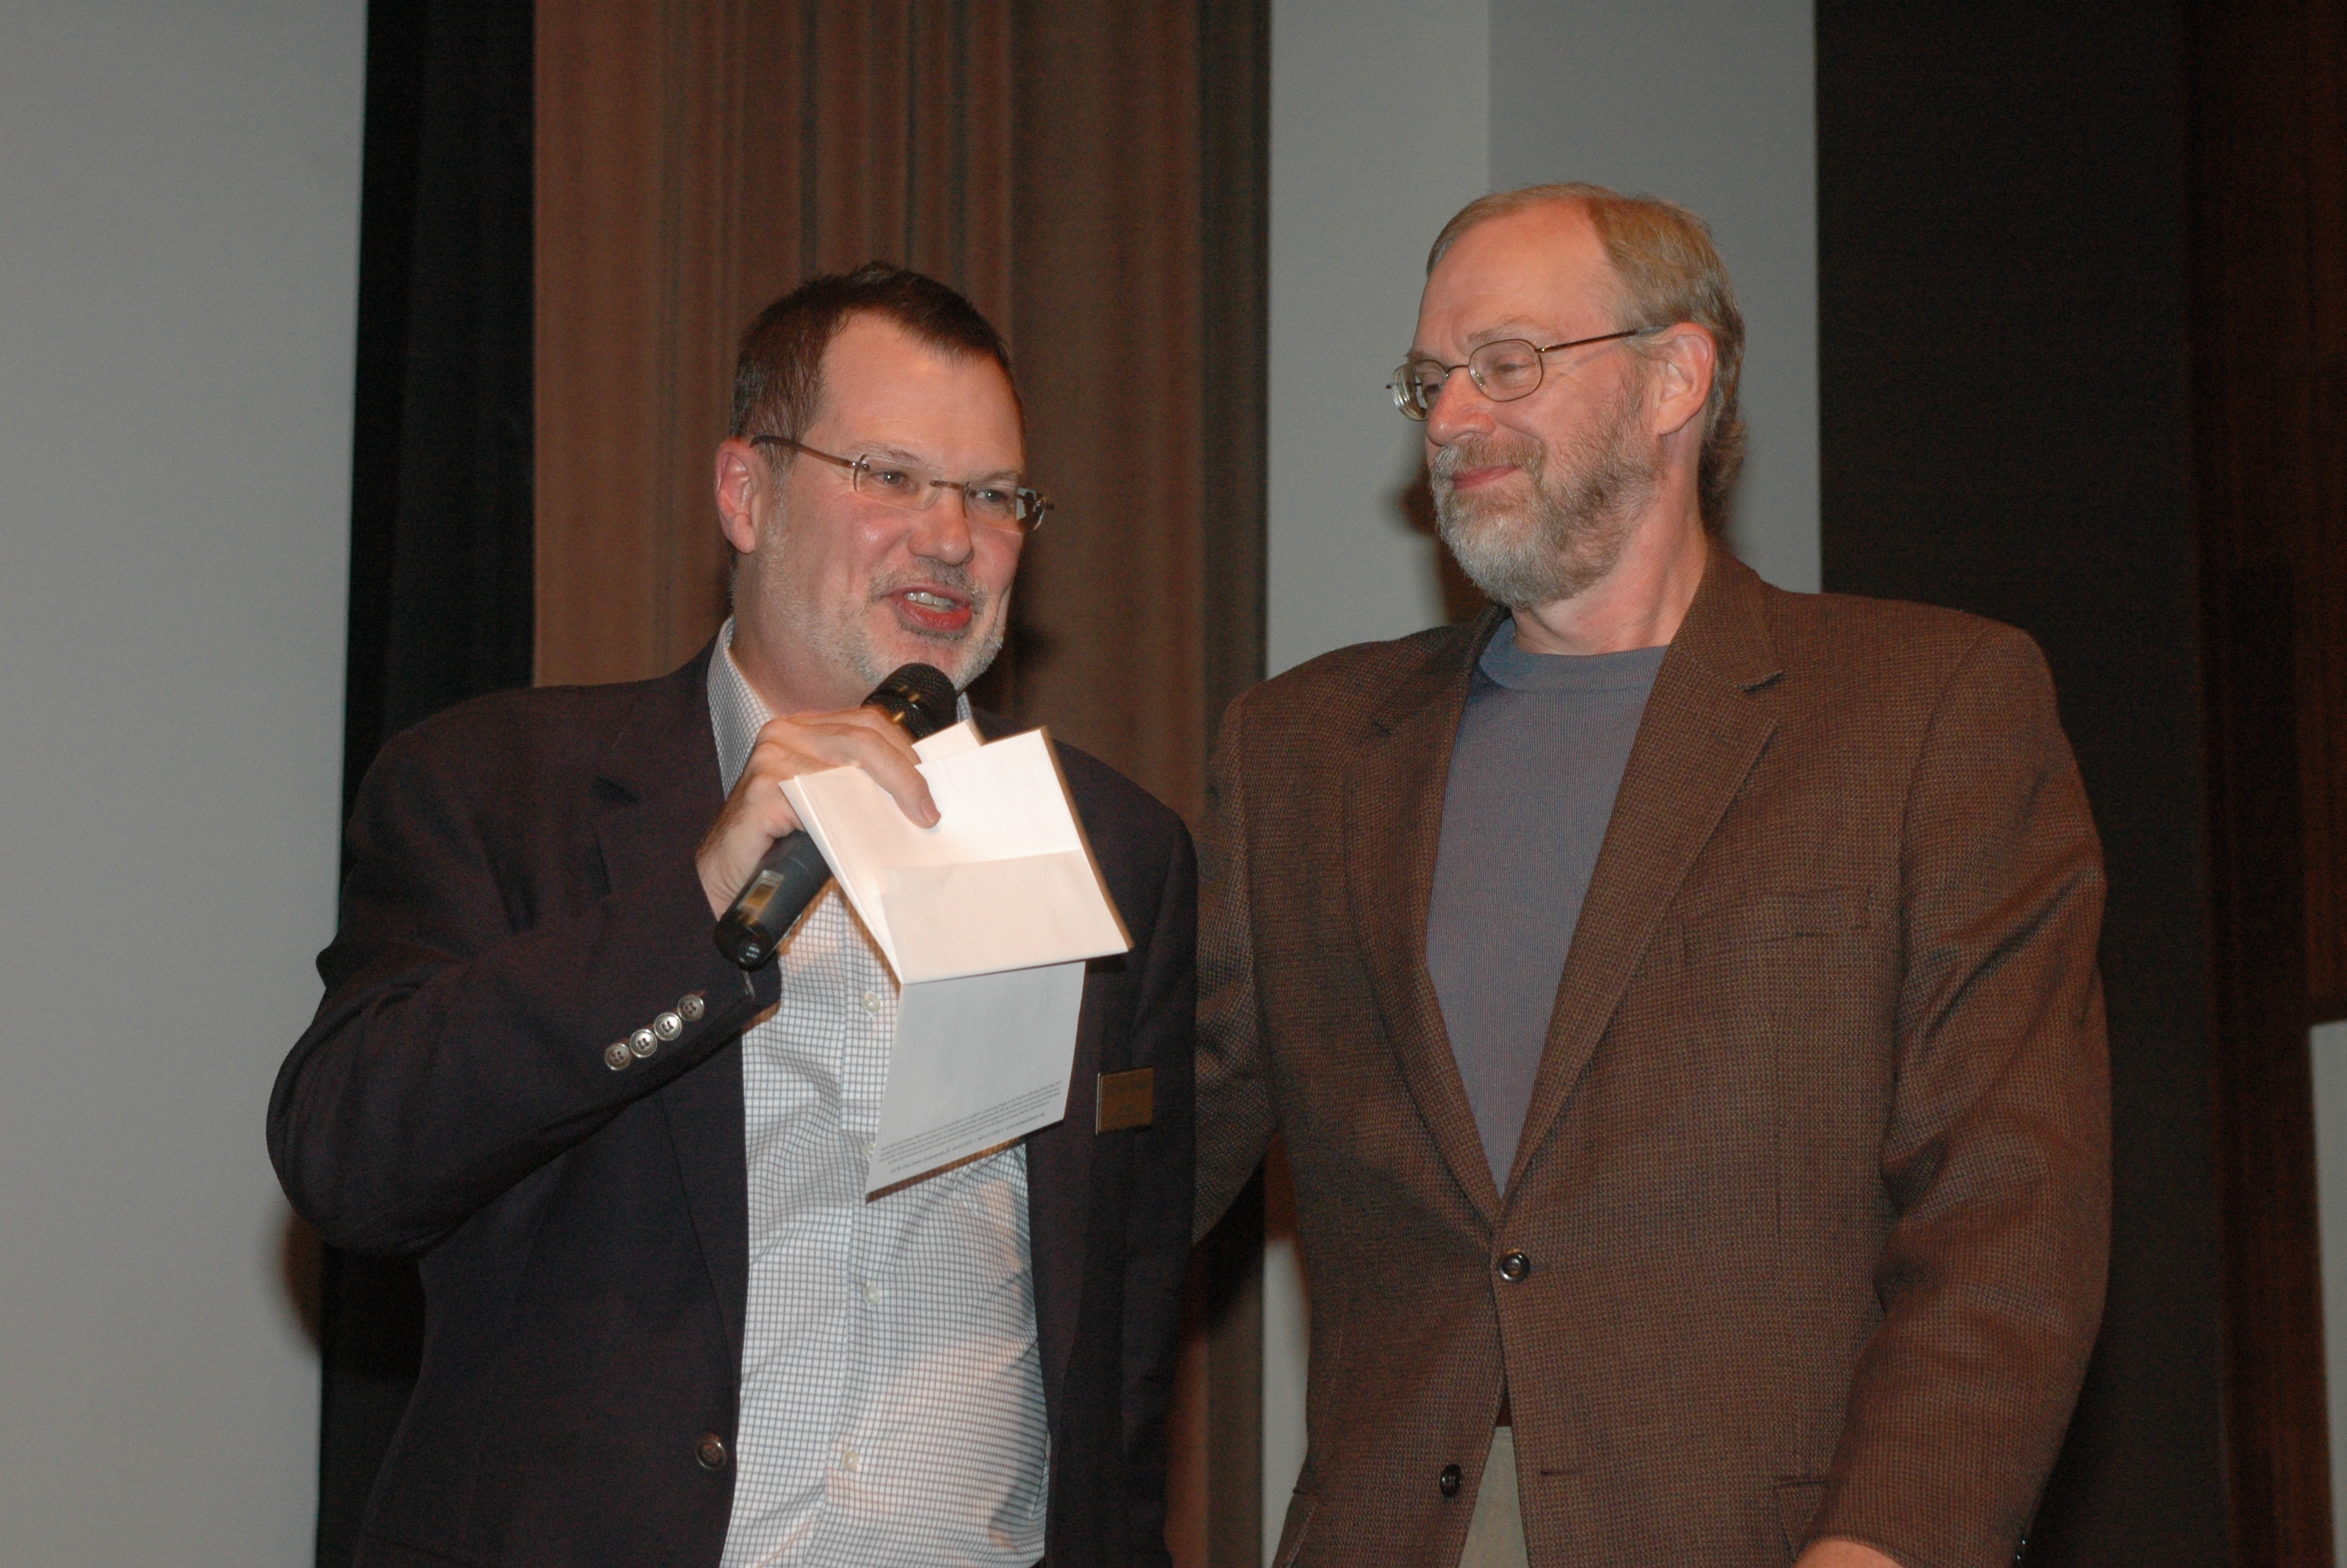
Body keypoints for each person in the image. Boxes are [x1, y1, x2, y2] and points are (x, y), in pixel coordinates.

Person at [1193, 184, 2109, 1568]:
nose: (1447, 420)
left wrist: (1887, 1548)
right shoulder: (1301, 755)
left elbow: (2009, 1213)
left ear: (1677, 376)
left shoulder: (1927, 709)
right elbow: (1137, 1166)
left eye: (1505, 366)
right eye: (1430, 380)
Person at [271, 264, 1195, 1568]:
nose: (951, 536)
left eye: (994, 496)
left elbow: (1126, 1329)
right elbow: (351, 1158)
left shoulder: (1119, 850)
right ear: (745, 493)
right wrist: (698, 901)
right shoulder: (498, 790)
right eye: (890, 474)